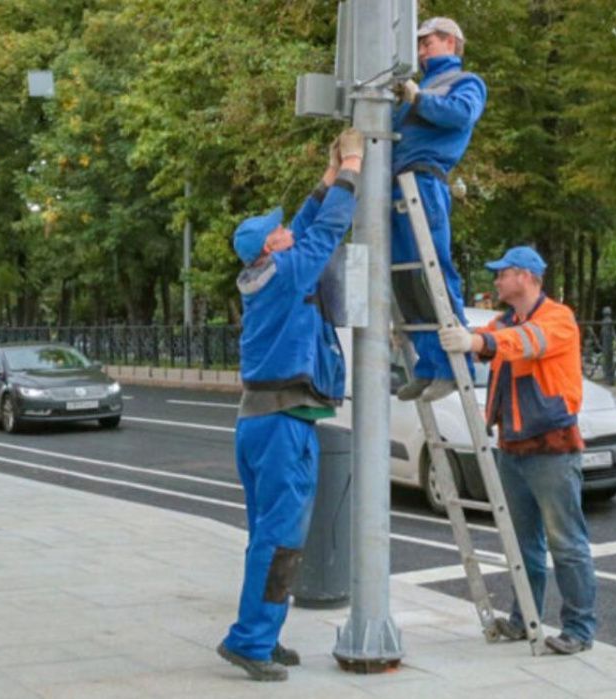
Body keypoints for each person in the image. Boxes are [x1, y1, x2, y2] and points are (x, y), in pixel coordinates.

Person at [216, 128, 365, 682]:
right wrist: (352, 164)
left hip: (261, 422)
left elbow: (305, 225)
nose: (285, 229)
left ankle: (264, 632)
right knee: (280, 538)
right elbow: (325, 230)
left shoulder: (269, 272)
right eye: (277, 230)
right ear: (269, 248)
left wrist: (329, 175)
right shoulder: (286, 273)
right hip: (281, 426)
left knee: (269, 536)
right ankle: (250, 642)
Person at [437, 246, 597, 655]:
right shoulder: (503, 321)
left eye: (502, 274)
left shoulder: (557, 319)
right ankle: (524, 619)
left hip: (552, 450)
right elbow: (495, 341)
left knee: (566, 544)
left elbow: (524, 344)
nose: (496, 280)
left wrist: (476, 340)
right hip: (512, 448)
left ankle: (578, 629)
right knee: (521, 545)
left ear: (525, 276)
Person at [390, 16, 488, 403]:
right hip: (397, 186)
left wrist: (417, 98)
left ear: (450, 42)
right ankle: (428, 365)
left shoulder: (464, 82)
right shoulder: (423, 85)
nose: (421, 49)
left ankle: (452, 366)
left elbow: (460, 115)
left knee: (433, 274)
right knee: (406, 280)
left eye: (427, 42)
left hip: (424, 183)